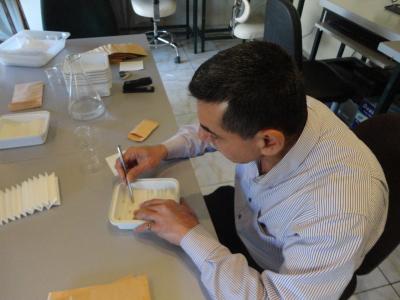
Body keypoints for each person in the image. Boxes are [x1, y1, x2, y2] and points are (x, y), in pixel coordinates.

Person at [115, 41, 388, 299]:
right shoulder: (288, 109)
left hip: (275, 274)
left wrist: (190, 234)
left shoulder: (337, 213)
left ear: (268, 142)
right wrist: (162, 150)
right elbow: (216, 128)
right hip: (246, 217)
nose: (201, 135)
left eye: (213, 135)